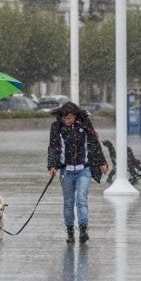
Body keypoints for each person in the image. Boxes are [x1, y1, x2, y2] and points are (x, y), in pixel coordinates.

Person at [47, 102, 108, 244]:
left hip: (84, 170)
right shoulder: (56, 127)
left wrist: (101, 162)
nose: (67, 121)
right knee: (68, 202)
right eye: (64, 118)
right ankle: (69, 231)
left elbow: (94, 142)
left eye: (69, 118)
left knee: (81, 199)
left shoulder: (84, 124)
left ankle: (83, 229)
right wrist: (52, 165)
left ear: (75, 115)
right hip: (66, 171)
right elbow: (53, 146)